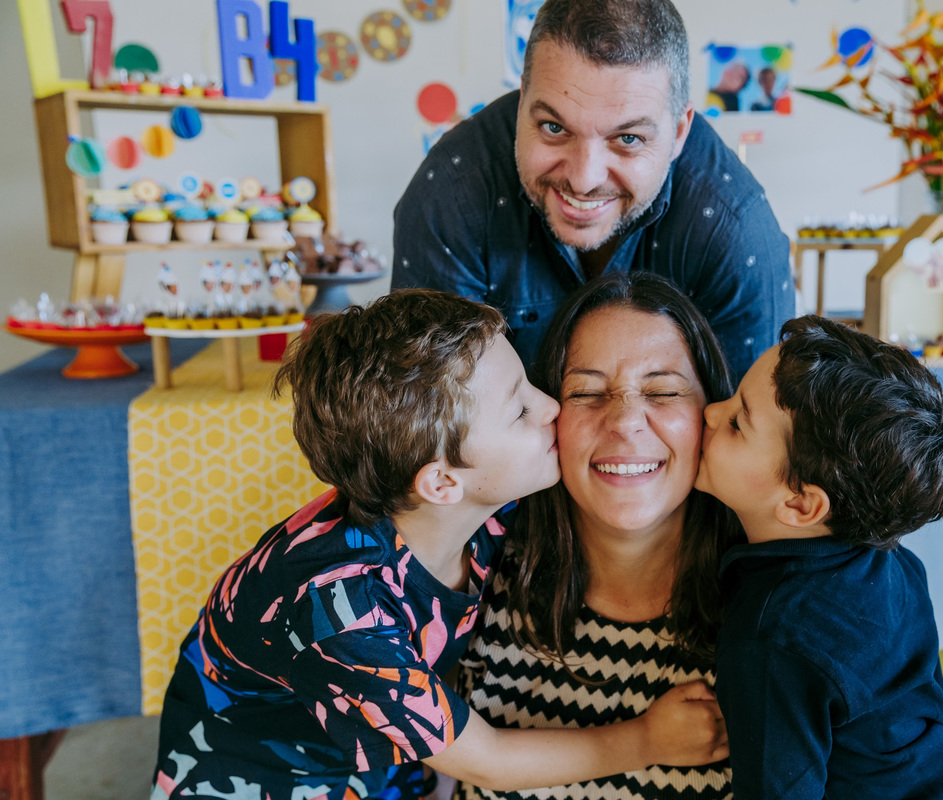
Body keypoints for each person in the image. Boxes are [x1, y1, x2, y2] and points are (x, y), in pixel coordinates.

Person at [150, 289, 728, 800]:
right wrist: (646, 740)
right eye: (521, 407)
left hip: (377, 753)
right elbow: (489, 760)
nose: (551, 406)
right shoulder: (341, 613)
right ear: (442, 481)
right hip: (265, 781)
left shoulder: (459, 501)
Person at [391, 0, 793, 381]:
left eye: (628, 139)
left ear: (679, 132)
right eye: (554, 127)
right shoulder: (449, 196)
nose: (584, 179)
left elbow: (754, 442)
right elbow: (438, 431)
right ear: (521, 104)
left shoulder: (737, 230)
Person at [454, 272, 742, 800]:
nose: (626, 421)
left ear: (712, 414)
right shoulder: (474, 574)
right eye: (586, 392)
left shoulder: (774, 609)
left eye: (663, 390)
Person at [694, 315, 943, 800]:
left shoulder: (771, 638)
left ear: (800, 504)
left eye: (736, 423)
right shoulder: (896, 562)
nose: (709, 412)